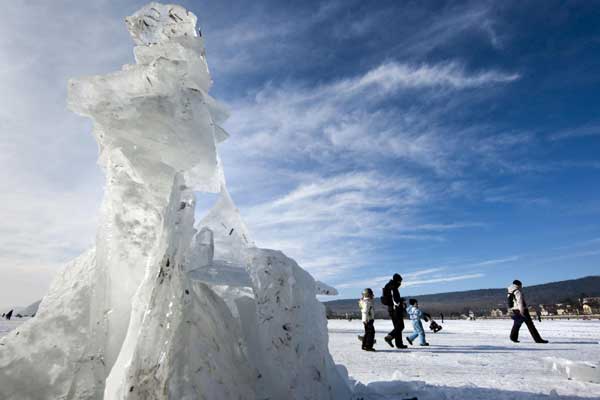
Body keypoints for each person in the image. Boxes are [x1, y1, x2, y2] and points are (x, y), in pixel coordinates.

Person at [381, 273, 407, 349]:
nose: (400, 283)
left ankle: (399, 344)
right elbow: (395, 300)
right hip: (395, 309)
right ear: (397, 281)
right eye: (400, 282)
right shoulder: (393, 286)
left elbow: (391, 297)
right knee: (400, 326)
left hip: (391, 309)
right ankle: (390, 336)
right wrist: (400, 302)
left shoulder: (388, 285)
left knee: (397, 327)